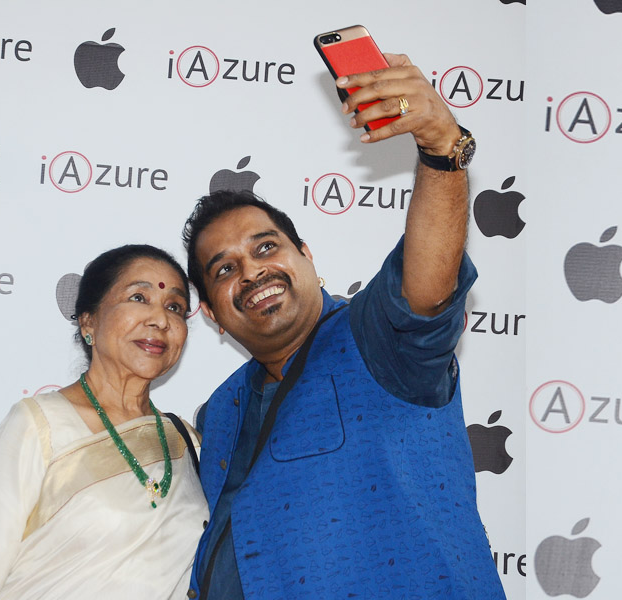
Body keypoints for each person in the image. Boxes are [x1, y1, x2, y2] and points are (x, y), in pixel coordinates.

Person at [181, 54, 505, 598]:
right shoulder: (219, 411)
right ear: (211, 313)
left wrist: (441, 149)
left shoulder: (374, 340)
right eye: (225, 269)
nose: (253, 270)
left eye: (266, 247)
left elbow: (424, 291)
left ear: (307, 256)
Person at [0, 245, 208, 600]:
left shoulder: (188, 443)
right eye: (139, 297)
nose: (160, 319)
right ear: (89, 321)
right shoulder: (41, 423)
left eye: (174, 307)